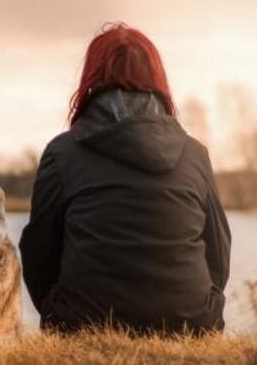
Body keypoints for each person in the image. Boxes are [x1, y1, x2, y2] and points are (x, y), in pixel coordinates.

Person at [19, 23, 231, 335]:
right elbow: (218, 254)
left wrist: (57, 312)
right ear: (157, 79)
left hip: (82, 324)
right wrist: (200, 309)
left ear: (91, 78)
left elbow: (38, 254)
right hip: (191, 325)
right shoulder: (194, 154)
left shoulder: (62, 154)